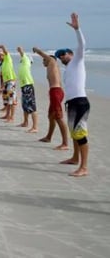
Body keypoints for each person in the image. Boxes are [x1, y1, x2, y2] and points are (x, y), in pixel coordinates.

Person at [55, 13, 90, 177]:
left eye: (63, 54)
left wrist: (77, 29)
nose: (61, 57)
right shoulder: (68, 68)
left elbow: (82, 45)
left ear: (70, 54)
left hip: (80, 102)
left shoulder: (77, 60)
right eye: (59, 56)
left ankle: (84, 167)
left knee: (80, 134)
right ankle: (75, 158)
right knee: (74, 133)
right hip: (71, 103)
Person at [32, 47, 69, 150]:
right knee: (50, 116)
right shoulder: (51, 68)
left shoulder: (52, 62)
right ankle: (48, 137)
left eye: (44, 60)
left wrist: (37, 50)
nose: (43, 62)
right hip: (54, 92)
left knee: (58, 117)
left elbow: (47, 57)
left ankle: (65, 143)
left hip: (56, 92)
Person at [16, 46, 38, 133]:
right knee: (25, 106)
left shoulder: (26, 61)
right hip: (24, 86)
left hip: (28, 86)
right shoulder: (23, 63)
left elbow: (22, 53)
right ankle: (25, 122)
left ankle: (35, 127)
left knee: (32, 107)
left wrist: (20, 49)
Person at [0, 45, 17, 122]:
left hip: (11, 82)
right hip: (6, 83)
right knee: (6, 100)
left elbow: (3, 47)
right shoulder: (3, 64)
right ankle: (7, 115)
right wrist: (2, 87)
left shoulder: (8, 59)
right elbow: (4, 78)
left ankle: (12, 117)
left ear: (3, 55)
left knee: (12, 100)